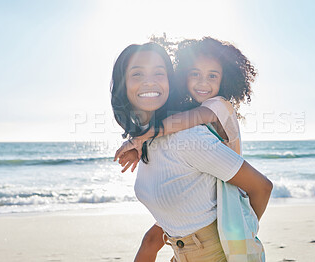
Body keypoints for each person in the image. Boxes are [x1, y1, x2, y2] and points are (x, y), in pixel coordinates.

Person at [111, 41, 272, 262]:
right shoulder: (157, 138)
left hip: (221, 242)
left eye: (159, 73)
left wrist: (245, 232)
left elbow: (262, 187)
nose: (203, 82)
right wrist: (139, 140)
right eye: (137, 74)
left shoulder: (207, 115)